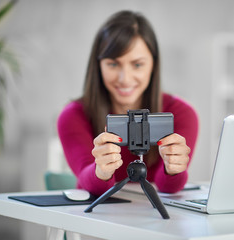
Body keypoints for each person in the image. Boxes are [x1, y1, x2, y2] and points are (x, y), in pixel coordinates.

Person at [57, 10, 199, 196]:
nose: (125, 79)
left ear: (153, 65)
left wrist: (174, 168)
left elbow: (168, 187)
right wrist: (101, 172)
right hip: (95, 218)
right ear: (98, 65)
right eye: (113, 64)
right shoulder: (73, 116)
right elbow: (87, 180)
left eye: (137, 65)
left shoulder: (181, 113)